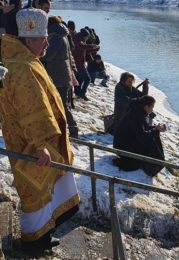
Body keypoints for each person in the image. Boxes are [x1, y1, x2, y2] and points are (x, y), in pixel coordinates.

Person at [0, 9, 79, 252]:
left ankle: (42, 236)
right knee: (35, 191)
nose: (47, 41)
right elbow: (31, 110)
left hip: (37, 140)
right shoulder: (23, 68)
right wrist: (40, 145)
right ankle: (32, 242)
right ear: (30, 39)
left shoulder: (24, 59)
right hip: (33, 143)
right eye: (43, 37)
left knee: (44, 188)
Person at [42, 16, 79, 138]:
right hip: (63, 74)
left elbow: (48, 55)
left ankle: (73, 130)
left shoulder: (56, 37)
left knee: (62, 104)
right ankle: (63, 128)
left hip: (58, 75)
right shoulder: (62, 35)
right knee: (63, 103)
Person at [113, 95, 166, 177]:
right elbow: (142, 136)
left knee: (153, 136)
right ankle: (155, 164)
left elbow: (143, 129)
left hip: (127, 141)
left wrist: (156, 128)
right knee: (151, 140)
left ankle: (156, 163)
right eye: (151, 107)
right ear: (146, 106)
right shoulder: (136, 115)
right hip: (122, 146)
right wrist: (155, 130)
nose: (152, 110)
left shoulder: (138, 111)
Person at [72, 27, 99, 100]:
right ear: (85, 36)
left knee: (80, 79)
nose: (87, 39)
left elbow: (84, 51)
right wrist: (93, 46)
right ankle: (82, 93)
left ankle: (78, 93)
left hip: (79, 63)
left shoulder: (79, 38)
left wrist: (94, 49)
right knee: (87, 79)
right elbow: (82, 46)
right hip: (78, 63)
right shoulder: (79, 40)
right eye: (87, 37)